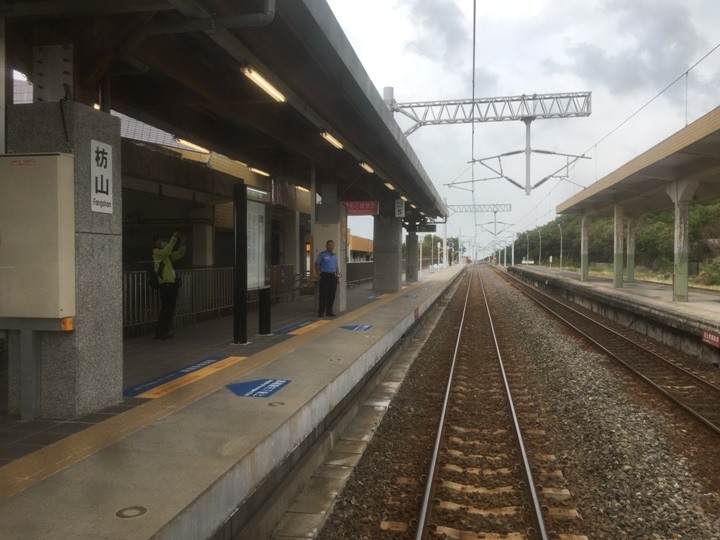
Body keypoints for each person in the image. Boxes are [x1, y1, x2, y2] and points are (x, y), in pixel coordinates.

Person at [152, 230, 187, 339]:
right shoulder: (157, 253)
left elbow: (179, 254)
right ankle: (160, 333)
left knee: (170, 309)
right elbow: (167, 250)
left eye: (164, 241)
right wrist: (174, 238)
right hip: (165, 284)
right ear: (156, 242)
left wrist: (182, 244)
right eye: (162, 241)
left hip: (171, 284)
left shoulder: (167, 256)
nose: (164, 242)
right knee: (166, 308)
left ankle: (164, 332)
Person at [315, 239, 341, 317]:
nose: (331, 246)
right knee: (323, 294)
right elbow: (316, 264)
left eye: (332, 245)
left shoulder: (335, 256)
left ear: (333, 246)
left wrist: (338, 275)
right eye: (329, 244)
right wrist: (318, 275)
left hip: (333, 277)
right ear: (326, 246)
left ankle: (329, 311)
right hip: (324, 276)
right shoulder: (322, 254)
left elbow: (337, 267)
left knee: (332, 295)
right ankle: (321, 312)